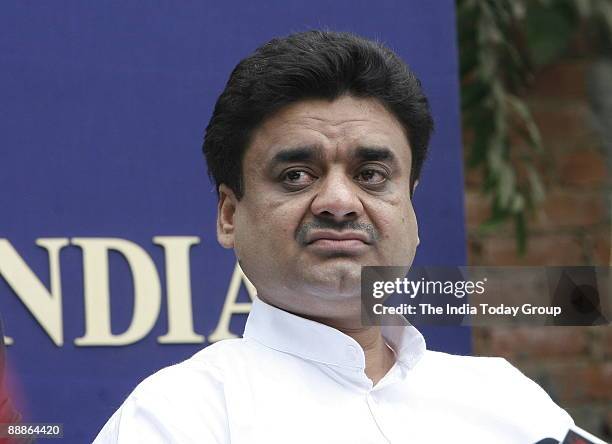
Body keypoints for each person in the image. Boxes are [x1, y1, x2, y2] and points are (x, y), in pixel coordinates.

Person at [94, 30, 573, 443]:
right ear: (228, 214)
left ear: (411, 206)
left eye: (371, 175)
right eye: (297, 176)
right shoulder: (179, 418)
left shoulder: (510, 404)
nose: (339, 202)